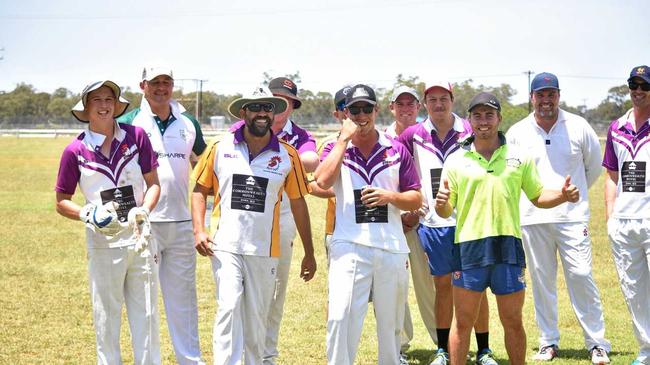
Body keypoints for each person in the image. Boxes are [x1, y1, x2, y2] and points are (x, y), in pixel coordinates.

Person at [435, 92, 580, 365]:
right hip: (469, 248)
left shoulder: (519, 157)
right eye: (477, 115)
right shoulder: (455, 160)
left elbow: (538, 196)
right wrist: (441, 203)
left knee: (512, 320)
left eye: (489, 115)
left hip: (508, 248)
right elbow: (444, 210)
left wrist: (562, 195)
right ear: (469, 121)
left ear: (499, 118)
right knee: (463, 322)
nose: (483, 121)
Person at [191, 86, 317, 365]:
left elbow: (298, 203)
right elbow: (200, 189)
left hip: (265, 249)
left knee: (258, 316)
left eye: (268, 108)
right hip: (225, 246)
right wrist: (199, 230)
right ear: (244, 112)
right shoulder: (219, 147)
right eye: (256, 107)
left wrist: (309, 252)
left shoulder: (288, 155)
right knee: (229, 307)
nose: (263, 113)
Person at [314, 84, 423, 365]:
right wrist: (342, 141)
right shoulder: (336, 147)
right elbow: (322, 181)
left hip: (391, 246)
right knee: (341, 317)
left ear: (376, 110)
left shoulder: (396, 149)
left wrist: (390, 196)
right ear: (345, 113)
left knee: (390, 326)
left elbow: (415, 198)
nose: (361, 115)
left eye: (366, 108)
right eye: (354, 110)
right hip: (348, 244)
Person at [506, 72, 610, 364]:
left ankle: (597, 343)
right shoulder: (517, 131)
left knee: (581, 276)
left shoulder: (578, 126)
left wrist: (573, 196)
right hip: (532, 217)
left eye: (551, 94)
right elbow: (513, 175)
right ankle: (548, 341)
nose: (546, 100)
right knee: (542, 281)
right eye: (540, 95)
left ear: (558, 95)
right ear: (532, 98)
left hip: (572, 217)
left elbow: (593, 168)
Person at [55, 80, 161, 364]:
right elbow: (61, 200)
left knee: (147, 316)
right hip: (103, 241)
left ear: (116, 105)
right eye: (97, 100)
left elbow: (154, 184)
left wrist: (145, 210)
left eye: (109, 99)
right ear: (86, 108)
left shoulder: (137, 136)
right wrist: (87, 214)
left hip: (141, 237)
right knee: (106, 317)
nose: (104, 105)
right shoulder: (74, 150)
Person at [397, 82, 494, 365]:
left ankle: (484, 350)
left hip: (470, 222)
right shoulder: (412, 135)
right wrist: (411, 205)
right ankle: (442, 349)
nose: (438, 105)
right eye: (432, 99)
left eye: (444, 99)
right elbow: (402, 170)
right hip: (433, 223)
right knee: (442, 285)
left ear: (452, 100)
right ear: (424, 103)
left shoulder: (469, 129)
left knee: (476, 287)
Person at [118, 65, 207, 365]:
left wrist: (205, 217)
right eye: (155, 82)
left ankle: (190, 361)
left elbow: (203, 168)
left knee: (183, 303)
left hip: (182, 224)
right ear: (142, 85)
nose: (161, 87)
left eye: (166, 82)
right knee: (144, 303)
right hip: (145, 225)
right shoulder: (129, 122)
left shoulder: (188, 121)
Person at [262, 77, 319, 365]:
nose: (278, 104)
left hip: (284, 215)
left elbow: (311, 160)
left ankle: (267, 355)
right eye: (273, 97)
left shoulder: (299, 135)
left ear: (292, 105)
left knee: (275, 289)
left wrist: (275, 152)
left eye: (285, 100)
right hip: (249, 214)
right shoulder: (248, 124)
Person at [386, 85, 438, 364]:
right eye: (400, 104)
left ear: (419, 107)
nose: (406, 109)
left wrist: (417, 212)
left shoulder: (428, 134)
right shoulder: (381, 139)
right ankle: (400, 345)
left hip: (426, 221)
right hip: (392, 222)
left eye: (411, 104)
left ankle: (442, 342)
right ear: (391, 107)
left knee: (429, 285)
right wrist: (401, 211)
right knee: (395, 287)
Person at [603, 65, 650, 365]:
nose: (637, 90)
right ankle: (646, 349)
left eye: (644, 85)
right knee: (634, 290)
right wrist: (610, 217)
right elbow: (611, 175)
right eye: (633, 84)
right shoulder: (616, 127)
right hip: (624, 222)